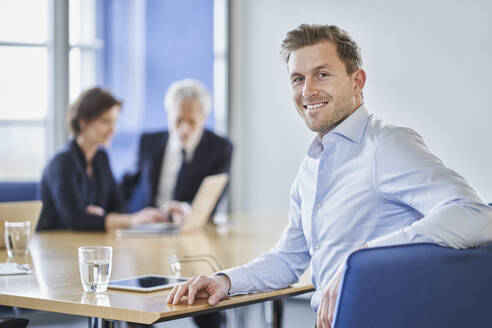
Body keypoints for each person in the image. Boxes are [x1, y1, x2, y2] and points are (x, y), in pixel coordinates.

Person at [166, 24, 492, 328]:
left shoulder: (387, 145)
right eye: (297, 79)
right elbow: (288, 259)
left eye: (321, 74)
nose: (307, 90)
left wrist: (363, 261)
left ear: (357, 81)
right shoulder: (312, 166)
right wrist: (225, 280)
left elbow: (476, 215)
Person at [37, 87, 183, 231]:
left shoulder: (100, 158)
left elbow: (120, 206)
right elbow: (76, 220)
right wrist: (132, 220)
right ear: (83, 122)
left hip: (87, 242)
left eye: (114, 122)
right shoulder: (63, 162)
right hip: (55, 242)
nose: (113, 130)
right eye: (105, 122)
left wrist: (99, 218)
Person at [121, 79, 233, 216]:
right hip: (150, 225)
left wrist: (186, 210)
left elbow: (214, 197)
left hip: (190, 226)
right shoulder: (148, 143)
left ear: (204, 118)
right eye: (178, 120)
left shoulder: (220, 148)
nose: (184, 130)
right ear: (168, 115)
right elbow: (126, 185)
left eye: (192, 122)